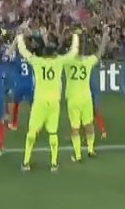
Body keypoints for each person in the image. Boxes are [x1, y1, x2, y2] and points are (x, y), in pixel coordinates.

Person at [14, 30, 80, 172]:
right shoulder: (59, 61)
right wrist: (75, 37)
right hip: (54, 102)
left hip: (39, 102)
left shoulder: (37, 62)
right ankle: (54, 163)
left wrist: (19, 37)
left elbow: (23, 52)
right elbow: (74, 52)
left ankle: (26, 162)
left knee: (32, 132)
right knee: (53, 133)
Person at [66, 27, 109, 161]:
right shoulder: (88, 61)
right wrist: (104, 38)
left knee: (75, 128)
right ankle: (90, 150)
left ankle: (78, 155)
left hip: (73, 99)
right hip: (86, 98)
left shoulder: (68, 61)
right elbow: (100, 52)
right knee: (89, 125)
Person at [6, 44, 34, 130]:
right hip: (29, 84)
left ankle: (14, 124)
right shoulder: (30, 59)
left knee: (15, 104)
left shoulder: (16, 60)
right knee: (33, 105)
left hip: (19, 85)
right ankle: (35, 125)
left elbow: (7, 58)